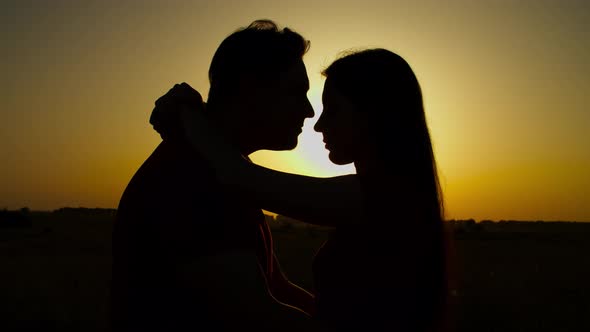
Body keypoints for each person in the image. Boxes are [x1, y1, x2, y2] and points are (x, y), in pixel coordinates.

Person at [155, 48, 454, 331]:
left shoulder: (383, 197)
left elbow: (239, 177)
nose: (318, 123)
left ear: (373, 114)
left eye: (333, 111)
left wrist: (188, 114)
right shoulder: (393, 193)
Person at [111, 20, 322, 332]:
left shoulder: (227, 172)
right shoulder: (192, 176)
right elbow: (259, 316)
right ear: (251, 91)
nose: (308, 110)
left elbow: (277, 286)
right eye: (295, 92)